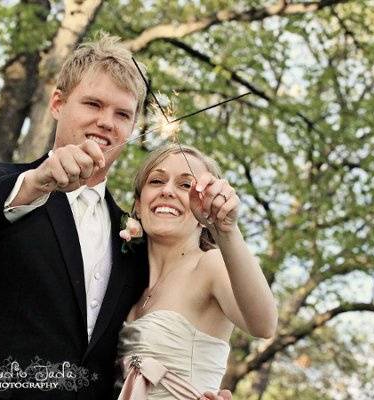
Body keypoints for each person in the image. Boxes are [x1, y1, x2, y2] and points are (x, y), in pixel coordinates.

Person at [0, 34, 232, 400]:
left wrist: (190, 391)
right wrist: (36, 183)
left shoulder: (134, 237)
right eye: (93, 104)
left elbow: (144, 349)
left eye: (122, 114)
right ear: (57, 103)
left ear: (133, 127)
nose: (106, 122)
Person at [116, 144, 278, 399]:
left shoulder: (209, 265)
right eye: (157, 181)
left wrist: (226, 230)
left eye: (185, 185)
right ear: (138, 203)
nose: (167, 191)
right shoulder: (125, 283)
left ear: (205, 207)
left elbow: (264, 324)